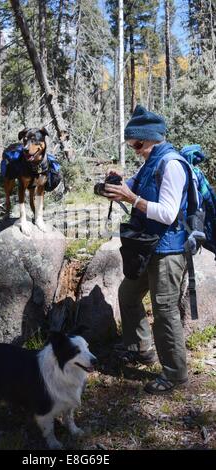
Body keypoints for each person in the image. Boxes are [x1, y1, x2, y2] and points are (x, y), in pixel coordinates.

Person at [102, 105, 189, 394]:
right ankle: (141, 348)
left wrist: (132, 197)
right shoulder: (149, 163)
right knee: (128, 295)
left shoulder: (171, 164)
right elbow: (130, 191)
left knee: (164, 311)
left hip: (168, 251)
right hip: (147, 247)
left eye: (137, 143)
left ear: (152, 138)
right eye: (131, 144)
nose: (135, 149)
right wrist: (114, 184)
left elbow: (168, 214)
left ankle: (175, 374)